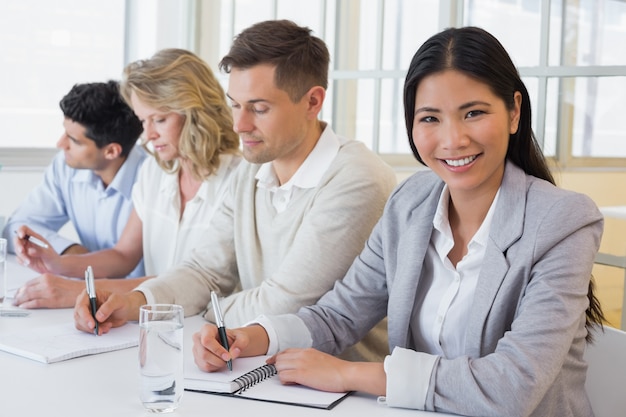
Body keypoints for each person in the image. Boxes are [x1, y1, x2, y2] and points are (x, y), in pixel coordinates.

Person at [187, 27, 606, 417]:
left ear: (514, 111)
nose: (452, 139)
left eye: (473, 113)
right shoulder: (411, 202)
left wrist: (353, 374)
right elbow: (341, 314)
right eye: (430, 118)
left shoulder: (563, 221)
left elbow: (514, 386)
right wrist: (252, 338)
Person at [74, 20, 397, 362]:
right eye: (235, 105)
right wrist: (135, 302)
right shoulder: (251, 171)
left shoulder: (357, 178)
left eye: (259, 108)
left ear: (312, 101)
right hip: (265, 371)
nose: (239, 125)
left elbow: (284, 303)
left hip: (345, 390)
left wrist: (188, 314)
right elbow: (204, 271)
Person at [12, 49, 241, 309]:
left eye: (160, 120)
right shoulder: (155, 172)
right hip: (155, 320)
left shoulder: (238, 180)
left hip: (211, 325)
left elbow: (195, 282)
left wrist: (82, 290)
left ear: (196, 112)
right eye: (144, 121)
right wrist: (58, 263)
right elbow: (124, 255)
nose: (149, 134)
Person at [3, 80, 146, 277]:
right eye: (65, 132)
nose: (61, 144)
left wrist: (72, 263)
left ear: (111, 151)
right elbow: (16, 227)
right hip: (87, 288)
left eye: (74, 140)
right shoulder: (66, 167)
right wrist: (71, 251)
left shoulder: (152, 178)